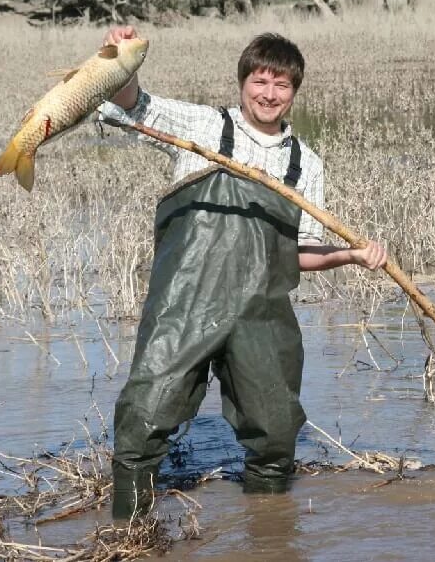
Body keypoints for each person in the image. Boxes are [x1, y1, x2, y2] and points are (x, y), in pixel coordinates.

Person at [99, 26, 387, 519]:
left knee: (275, 434)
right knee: (144, 418)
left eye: (281, 85)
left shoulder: (304, 164)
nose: (269, 94)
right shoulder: (206, 127)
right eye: (260, 81)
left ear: (294, 92)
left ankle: (270, 537)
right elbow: (131, 106)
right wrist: (124, 61)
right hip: (185, 304)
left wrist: (352, 256)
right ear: (242, 82)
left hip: (260, 314)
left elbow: (301, 255)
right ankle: (129, 535)